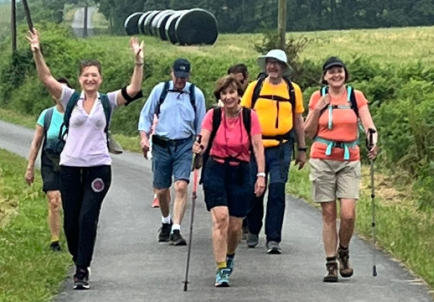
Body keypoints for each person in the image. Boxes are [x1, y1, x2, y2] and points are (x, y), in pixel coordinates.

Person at [26, 28, 145, 290]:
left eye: (94, 75)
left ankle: (82, 269)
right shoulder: (70, 98)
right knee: (71, 221)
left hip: (98, 168)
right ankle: (77, 256)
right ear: (79, 79)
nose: (90, 79)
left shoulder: (108, 101)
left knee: (87, 216)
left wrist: (138, 61)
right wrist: (37, 51)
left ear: (101, 79)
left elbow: (134, 88)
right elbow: (46, 78)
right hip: (69, 168)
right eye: (86, 75)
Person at [303, 56, 378, 282]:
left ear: (345, 74)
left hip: (349, 159)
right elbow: (307, 131)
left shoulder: (355, 96)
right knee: (328, 213)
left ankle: (343, 250)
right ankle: (330, 263)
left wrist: (373, 140)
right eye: (331, 71)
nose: (336, 75)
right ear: (325, 76)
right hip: (322, 158)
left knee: (348, 213)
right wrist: (317, 110)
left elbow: (368, 123)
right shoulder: (318, 97)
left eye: (340, 71)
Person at [193, 75, 266, 287]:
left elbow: (258, 146)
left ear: (239, 94)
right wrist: (198, 149)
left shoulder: (249, 117)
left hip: (241, 171)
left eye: (232, 92)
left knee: (235, 226)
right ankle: (221, 267)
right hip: (216, 169)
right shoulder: (212, 115)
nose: (228, 97)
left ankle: (230, 254)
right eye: (224, 93)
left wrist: (261, 175)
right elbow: (204, 139)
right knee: (221, 218)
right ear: (219, 96)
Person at [241, 49, 307, 254]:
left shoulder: (293, 90)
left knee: (277, 190)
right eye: (270, 63)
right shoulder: (255, 87)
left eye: (277, 63)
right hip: (255, 147)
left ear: (284, 67)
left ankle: (273, 238)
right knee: (255, 190)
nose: (273, 67)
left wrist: (302, 149)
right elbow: (243, 116)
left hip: (281, 147)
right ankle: (253, 229)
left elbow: (298, 120)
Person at [138, 58, 206, 246]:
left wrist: (200, 148)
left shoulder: (195, 94)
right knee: (161, 190)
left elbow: (202, 124)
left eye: (184, 77)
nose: (180, 81)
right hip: (161, 144)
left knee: (181, 186)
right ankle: (166, 221)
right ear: (172, 73)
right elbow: (146, 115)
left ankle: (176, 229)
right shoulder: (160, 91)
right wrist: (144, 138)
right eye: (177, 76)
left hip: (184, 145)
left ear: (188, 76)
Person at [25, 77, 72, 252]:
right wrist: (30, 167)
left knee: (71, 203)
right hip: (50, 164)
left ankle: (74, 235)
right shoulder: (47, 115)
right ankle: (55, 240)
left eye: (64, 91)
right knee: (54, 200)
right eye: (57, 90)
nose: (60, 94)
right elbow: (36, 143)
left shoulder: (77, 114)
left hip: (73, 165)